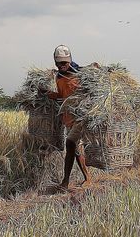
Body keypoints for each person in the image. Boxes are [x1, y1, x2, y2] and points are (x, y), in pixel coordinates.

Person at [40, 45, 99, 189]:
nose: (62, 66)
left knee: (70, 143)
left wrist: (96, 68)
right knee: (75, 150)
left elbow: (93, 80)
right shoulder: (59, 77)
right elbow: (62, 95)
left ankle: (65, 181)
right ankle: (87, 178)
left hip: (81, 116)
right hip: (68, 117)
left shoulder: (79, 73)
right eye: (59, 63)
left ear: (70, 60)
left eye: (64, 62)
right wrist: (48, 93)